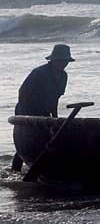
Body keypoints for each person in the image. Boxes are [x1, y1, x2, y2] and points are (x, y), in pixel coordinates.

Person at [11, 44, 75, 172]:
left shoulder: (63, 76)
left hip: (44, 110)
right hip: (27, 108)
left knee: (46, 139)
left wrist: (55, 119)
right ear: (53, 60)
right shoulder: (39, 73)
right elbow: (23, 93)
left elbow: (55, 98)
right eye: (60, 60)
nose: (63, 63)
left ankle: (45, 167)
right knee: (27, 140)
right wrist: (27, 117)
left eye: (65, 61)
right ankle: (14, 171)